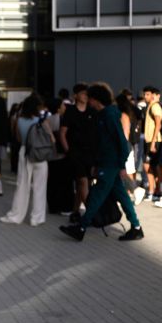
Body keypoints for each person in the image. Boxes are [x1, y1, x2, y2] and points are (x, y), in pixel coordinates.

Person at [59, 83, 144, 242]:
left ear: (96, 99)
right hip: (107, 164)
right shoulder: (104, 115)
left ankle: (81, 227)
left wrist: (121, 165)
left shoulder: (109, 116)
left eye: (89, 98)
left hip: (110, 165)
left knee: (97, 195)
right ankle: (136, 227)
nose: (88, 101)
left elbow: (122, 142)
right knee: (122, 196)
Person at [1, 93, 50, 226]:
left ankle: (17, 214)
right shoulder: (42, 120)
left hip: (25, 152)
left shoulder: (19, 120)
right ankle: (37, 218)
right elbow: (50, 138)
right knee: (40, 187)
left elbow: (17, 138)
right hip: (40, 154)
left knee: (22, 184)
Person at [59, 84, 96, 221]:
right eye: (82, 94)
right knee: (82, 181)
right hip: (75, 153)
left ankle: (75, 212)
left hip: (89, 153)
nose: (85, 96)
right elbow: (62, 133)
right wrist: (68, 150)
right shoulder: (70, 111)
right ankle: (91, 214)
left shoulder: (91, 112)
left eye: (87, 94)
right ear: (75, 96)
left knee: (85, 183)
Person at [44, 97, 74, 216]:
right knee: (64, 182)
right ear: (58, 108)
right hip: (61, 155)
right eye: (62, 105)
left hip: (50, 156)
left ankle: (53, 206)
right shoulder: (61, 119)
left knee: (52, 182)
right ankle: (65, 206)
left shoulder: (47, 120)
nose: (64, 107)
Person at [115, 92, 146, 204]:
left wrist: (121, 145)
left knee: (123, 170)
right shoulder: (131, 113)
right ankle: (130, 192)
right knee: (124, 170)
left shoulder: (123, 115)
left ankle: (135, 190)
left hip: (124, 144)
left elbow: (125, 132)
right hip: (128, 144)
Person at [141, 86, 162, 201]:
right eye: (144, 94)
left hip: (154, 141)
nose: (145, 96)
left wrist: (153, 142)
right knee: (148, 167)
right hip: (148, 140)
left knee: (154, 167)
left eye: (148, 94)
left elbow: (158, 124)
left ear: (154, 95)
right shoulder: (149, 106)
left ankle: (159, 192)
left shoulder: (155, 106)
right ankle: (152, 191)